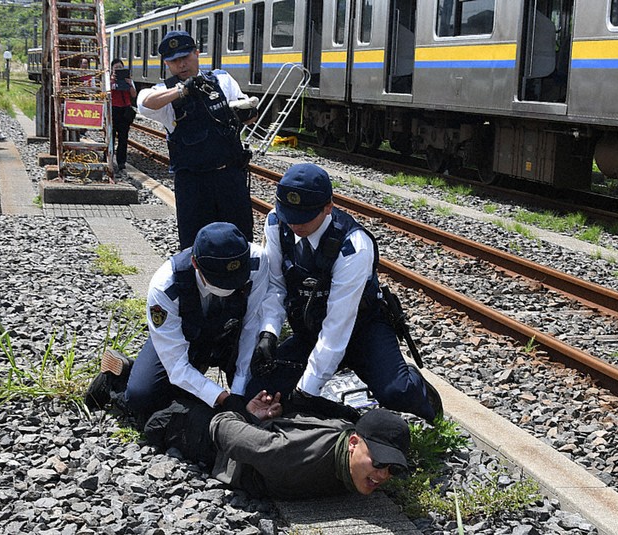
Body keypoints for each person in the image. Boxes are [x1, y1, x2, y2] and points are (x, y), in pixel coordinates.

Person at [246, 162, 443, 423]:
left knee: (398, 393)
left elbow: (337, 329)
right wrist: (269, 332)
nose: (294, 224)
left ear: (328, 207)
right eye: (288, 214)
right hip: (310, 329)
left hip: (362, 330)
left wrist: (305, 392)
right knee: (259, 389)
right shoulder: (275, 223)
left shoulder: (354, 247)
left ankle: (417, 386)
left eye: (303, 217)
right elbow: (277, 287)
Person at [85, 222, 281, 424]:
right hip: (185, 341)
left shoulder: (256, 261)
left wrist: (239, 392)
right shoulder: (165, 287)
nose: (229, 288)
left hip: (231, 337)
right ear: (195, 263)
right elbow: (176, 365)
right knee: (142, 398)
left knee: (260, 392)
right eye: (220, 282)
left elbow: (251, 327)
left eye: (236, 281)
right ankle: (117, 379)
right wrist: (224, 398)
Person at [143, 391, 411, 500]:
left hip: (263, 425)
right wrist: (241, 416)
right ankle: (114, 383)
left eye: (392, 468)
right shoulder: (294, 453)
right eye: (378, 462)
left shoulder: (355, 462)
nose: (383, 475)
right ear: (353, 443)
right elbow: (234, 436)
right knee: (155, 420)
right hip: (219, 446)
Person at [136, 30, 257, 250]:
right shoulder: (166, 92)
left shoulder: (222, 80)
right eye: (174, 61)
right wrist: (183, 90)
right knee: (195, 243)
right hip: (193, 183)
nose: (181, 64)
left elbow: (245, 111)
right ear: (167, 64)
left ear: (197, 53)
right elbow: (145, 103)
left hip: (229, 176)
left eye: (185, 57)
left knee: (241, 238)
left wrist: (248, 114)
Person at [110, 58, 137, 171]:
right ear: (112, 69)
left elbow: (134, 95)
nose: (118, 70)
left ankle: (121, 161)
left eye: (120, 67)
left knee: (123, 137)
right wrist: (112, 81)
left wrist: (130, 84)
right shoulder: (109, 80)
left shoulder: (128, 80)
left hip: (125, 110)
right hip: (113, 109)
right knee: (110, 136)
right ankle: (109, 158)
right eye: (116, 68)